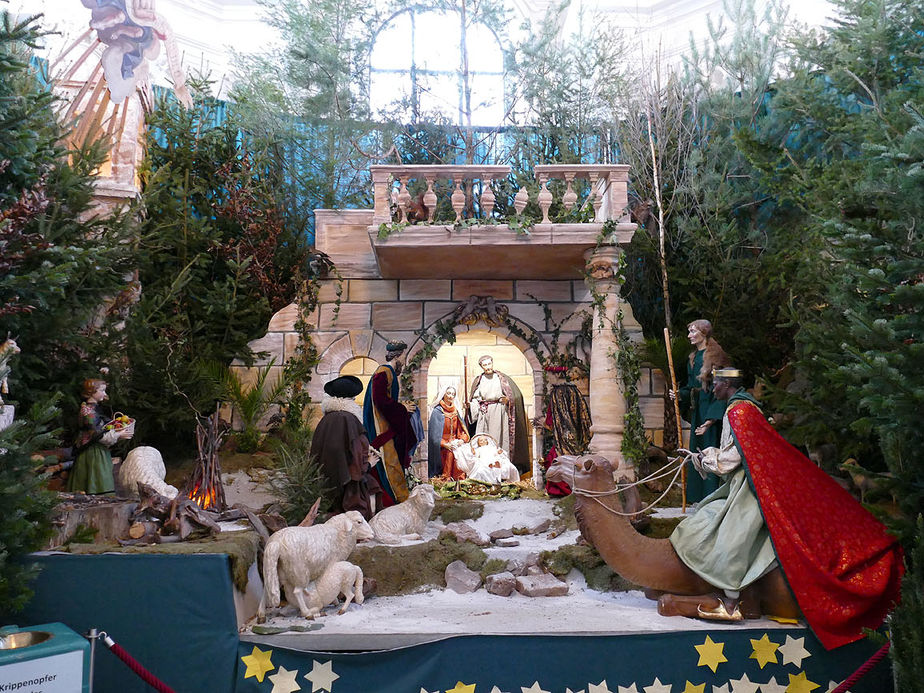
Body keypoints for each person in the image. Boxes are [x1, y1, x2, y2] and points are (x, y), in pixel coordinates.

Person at [671, 369, 904, 648]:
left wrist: (702, 458)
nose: (713, 389)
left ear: (727, 384)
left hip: (751, 486)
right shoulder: (742, 407)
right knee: (712, 517)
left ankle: (731, 603)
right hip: (745, 481)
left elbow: (731, 459)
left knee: (734, 534)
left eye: (716, 383)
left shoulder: (739, 412)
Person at [671, 319, 732, 503]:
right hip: (699, 408)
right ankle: (698, 497)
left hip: (712, 407)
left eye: (693, 331)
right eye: (689, 331)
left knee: (711, 448)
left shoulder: (718, 356)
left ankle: (714, 496)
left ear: (703, 333)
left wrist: (711, 419)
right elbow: (691, 386)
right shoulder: (693, 357)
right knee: (697, 452)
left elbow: (726, 385)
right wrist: (679, 395)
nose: (689, 335)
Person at [310, 375, 382, 520]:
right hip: (347, 487)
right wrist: (368, 464)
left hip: (327, 483)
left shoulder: (327, 419)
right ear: (351, 400)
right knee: (373, 491)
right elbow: (353, 457)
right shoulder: (347, 419)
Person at [363, 340, 418, 507]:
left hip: (386, 423)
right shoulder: (383, 372)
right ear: (399, 356)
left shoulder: (388, 372)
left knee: (392, 461)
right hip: (381, 427)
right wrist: (402, 408)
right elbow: (380, 400)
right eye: (404, 357)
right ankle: (396, 501)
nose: (405, 362)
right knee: (390, 462)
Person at [68, 378, 132, 494]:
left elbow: (103, 426)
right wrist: (118, 435)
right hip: (92, 452)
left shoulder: (93, 408)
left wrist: (116, 429)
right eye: (102, 390)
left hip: (97, 450)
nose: (105, 394)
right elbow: (97, 434)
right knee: (97, 478)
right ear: (92, 392)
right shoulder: (88, 412)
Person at [535, 365, 592, 496]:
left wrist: (544, 422)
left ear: (556, 375)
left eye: (549, 375)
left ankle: (561, 491)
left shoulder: (557, 392)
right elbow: (582, 415)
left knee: (556, 460)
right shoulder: (574, 390)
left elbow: (555, 418)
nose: (548, 378)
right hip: (575, 434)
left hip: (563, 436)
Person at [468, 355, 529, 474]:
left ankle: (501, 470)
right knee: (483, 440)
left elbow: (516, 396)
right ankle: (484, 470)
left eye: (489, 364)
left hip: (499, 412)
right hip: (484, 413)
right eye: (484, 365)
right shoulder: (479, 380)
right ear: (481, 366)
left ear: (492, 363)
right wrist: (470, 406)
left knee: (498, 438)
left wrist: (508, 400)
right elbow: (475, 399)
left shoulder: (502, 378)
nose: (487, 367)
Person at [427, 384, 469, 480]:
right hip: (441, 445)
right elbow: (433, 435)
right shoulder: (437, 411)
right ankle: (446, 477)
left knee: (464, 451)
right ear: (444, 394)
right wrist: (444, 444)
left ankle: (459, 479)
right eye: (448, 393)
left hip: (455, 441)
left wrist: (461, 441)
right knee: (450, 452)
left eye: (453, 394)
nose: (450, 396)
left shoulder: (456, 411)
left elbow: (462, 431)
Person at [453, 434, 520, 485]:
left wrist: (499, 452)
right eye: (481, 440)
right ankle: (492, 465)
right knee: (483, 463)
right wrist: (473, 452)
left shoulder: (492, 447)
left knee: (497, 459)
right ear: (478, 443)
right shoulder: (478, 449)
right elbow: (475, 455)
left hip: (492, 457)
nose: (483, 441)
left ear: (488, 441)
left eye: (485, 440)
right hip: (484, 459)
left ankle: (495, 464)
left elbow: (497, 452)